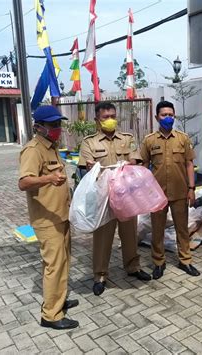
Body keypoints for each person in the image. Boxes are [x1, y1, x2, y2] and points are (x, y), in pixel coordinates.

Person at [78, 102, 151, 296]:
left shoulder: (127, 139)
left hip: (126, 195)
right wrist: (91, 166)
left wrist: (129, 163)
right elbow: (85, 167)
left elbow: (135, 160)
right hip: (103, 199)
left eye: (112, 116)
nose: (110, 120)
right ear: (97, 120)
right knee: (102, 237)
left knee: (130, 234)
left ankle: (133, 267)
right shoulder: (89, 142)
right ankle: (100, 275)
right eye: (105, 117)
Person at [18, 105, 79, 330]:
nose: (57, 128)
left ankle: (58, 301)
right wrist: (49, 179)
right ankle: (51, 315)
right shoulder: (33, 150)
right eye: (53, 125)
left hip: (60, 215)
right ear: (39, 127)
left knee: (63, 261)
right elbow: (24, 182)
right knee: (53, 265)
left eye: (58, 124)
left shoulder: (52, 148)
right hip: (46, 220)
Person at [141, 101, 200, 279]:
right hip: (156, 193)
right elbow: (144, 167)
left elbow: (189, 164)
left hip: (180, 192)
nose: (168, 118)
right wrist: (144, 192)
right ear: (156, 117)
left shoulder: (183, 138)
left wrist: (191, 188)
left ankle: (185, 260)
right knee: (157, 229)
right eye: (164, 115)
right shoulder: (149, 140)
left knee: (182, 228)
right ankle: (158, 262)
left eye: (171, 115)